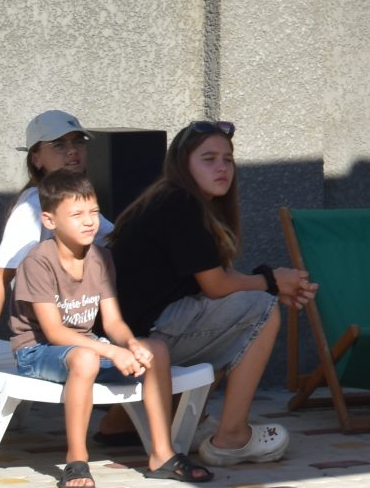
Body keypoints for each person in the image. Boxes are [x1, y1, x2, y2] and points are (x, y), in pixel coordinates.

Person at [110, 122, 316, 467]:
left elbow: (215, 280)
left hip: (139, 332)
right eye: (208, 159)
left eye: (228, 159)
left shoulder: (175, 200)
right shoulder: (180, 203)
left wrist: (272, 282)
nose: (222, 168)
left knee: (242, 309)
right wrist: (270, 284)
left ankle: (130, 423)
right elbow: (216, 285)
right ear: (183, 164)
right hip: (143, 340)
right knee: (261, 310)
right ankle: (231, 437)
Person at [7, 172, 205, 488]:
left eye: (94, 212)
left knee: (155, 349)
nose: (89, 221)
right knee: (86, 358)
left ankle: (162, 455)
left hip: (86, 346)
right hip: (37, 351)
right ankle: (76, 460)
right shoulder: (38, 262)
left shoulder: (100, 258)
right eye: (77, 214)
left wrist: (130, 344)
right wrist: (112, 351)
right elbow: (54, 332)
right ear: (49, 220)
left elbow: (112, 322)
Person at [0, 111, 115, 374]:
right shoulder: (32, 206)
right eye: (58, 145)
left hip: (79, 332)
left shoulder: (77, 201)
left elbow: (114, 239)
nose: (72, 150)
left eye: (78, 141)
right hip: (41, 344)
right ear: (36, 158)